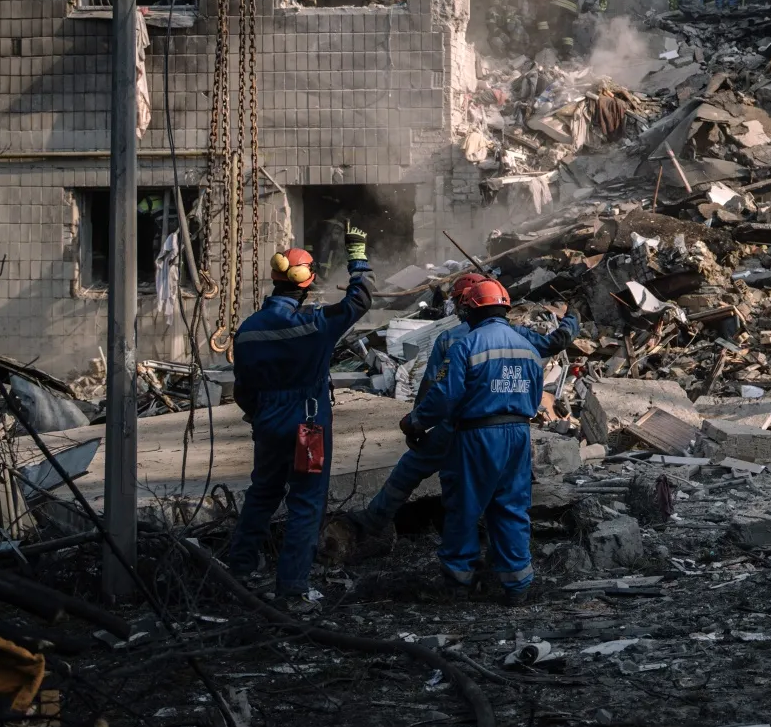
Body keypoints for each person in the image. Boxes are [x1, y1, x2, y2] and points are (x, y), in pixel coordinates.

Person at [338, 274, 576, 550]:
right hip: (514, 431)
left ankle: (375, 521)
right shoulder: (521, 338)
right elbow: (554, 345)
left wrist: (417, 423)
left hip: (462, 429)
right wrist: (573, 317)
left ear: (468, 304)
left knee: (420, 474)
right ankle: (510, 565)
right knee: (508, 500)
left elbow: (436, 390)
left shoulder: (454, 339)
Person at [223, 233, 374, 607]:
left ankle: (239, 569)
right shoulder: (316, 323)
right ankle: (291, 588)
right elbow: (360, 299)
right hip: (308, 424)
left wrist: (259, 415)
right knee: (306, 501)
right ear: (308, 283)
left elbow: (242, 388)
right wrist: (357, 256)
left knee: (262, 493)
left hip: (267, 421)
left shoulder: (249, 329)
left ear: (275, 280)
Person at [405, 276, 547, 604]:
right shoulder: (528, 348)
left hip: (477, 436)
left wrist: (415, 422)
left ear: (472, 310)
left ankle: (459, 582)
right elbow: (536, 396)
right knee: (512, 507)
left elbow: (443, 397)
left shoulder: (466, 345)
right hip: (518, 436)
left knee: (464, 507)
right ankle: (518, 585)